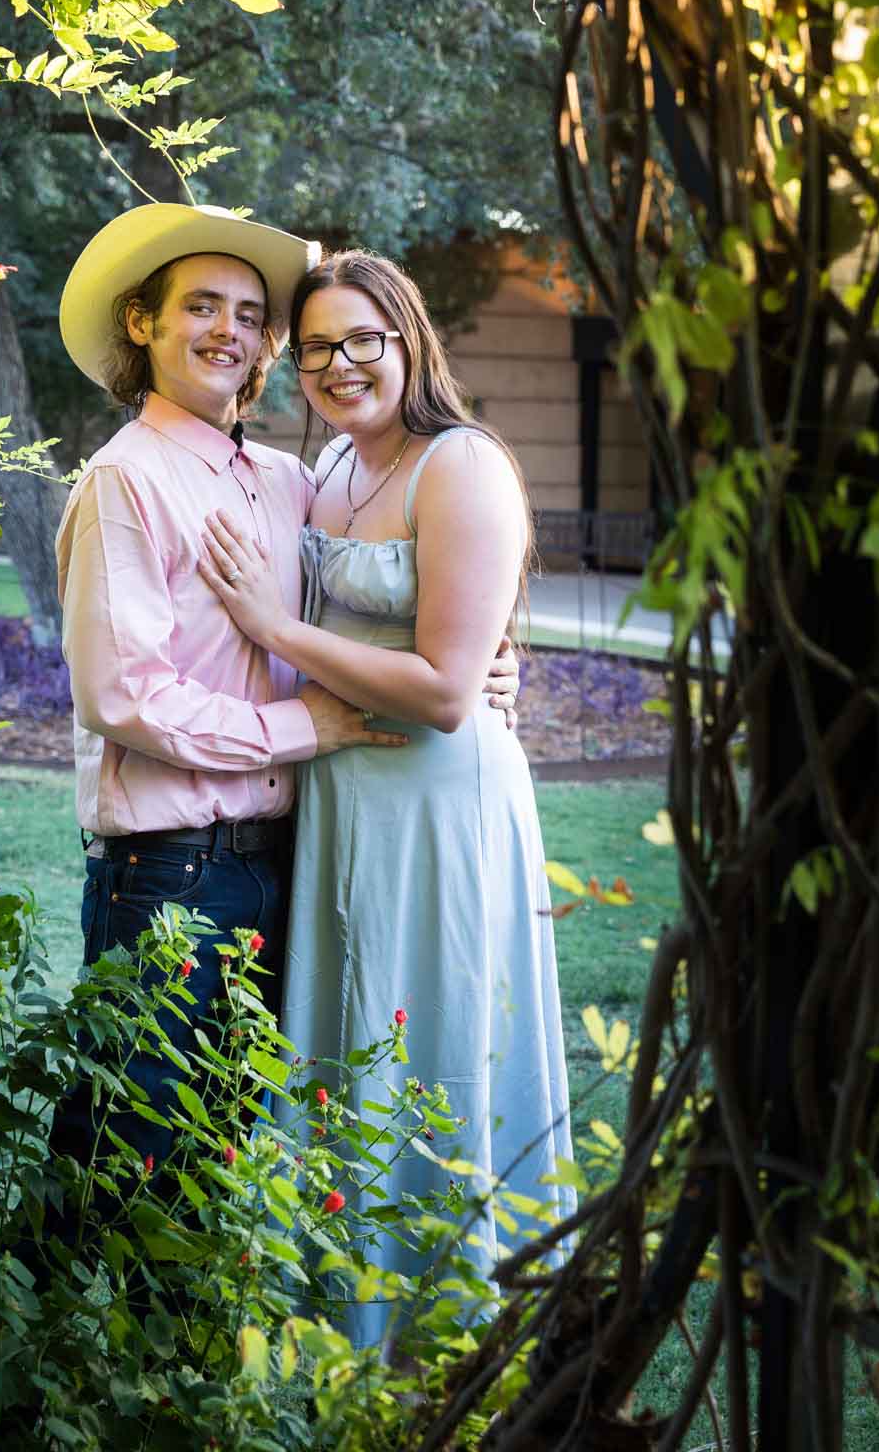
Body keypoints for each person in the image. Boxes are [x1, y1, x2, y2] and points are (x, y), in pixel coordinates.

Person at [46, 204, 516, 1223]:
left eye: (249, 313)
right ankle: (60, 1378)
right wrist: (313, 726)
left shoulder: (288, 481)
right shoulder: (123, 479)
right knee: (121, 1150)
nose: (228, 329)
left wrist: (483, 662)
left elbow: (396, 591)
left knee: (222, 1146)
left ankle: (180, 1371)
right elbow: (123, 696)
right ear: (142, 322)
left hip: (285, 857)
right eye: (200, 306)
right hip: (169, 867)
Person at [199, 248, 572, 1350]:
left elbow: (452, 690)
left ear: (409, 339)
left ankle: (452, 1320)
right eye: (316, 347)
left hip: (437, 808)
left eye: (364, 337)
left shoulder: (460, 461)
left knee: (436, 1038)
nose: (340, 362)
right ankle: (345, 1313)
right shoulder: (329, 478)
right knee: (349, 1040)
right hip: (339, 800)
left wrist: (277, 627)